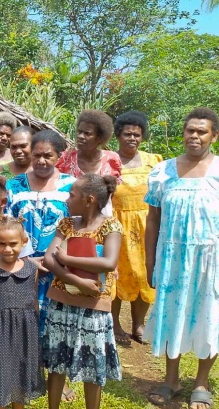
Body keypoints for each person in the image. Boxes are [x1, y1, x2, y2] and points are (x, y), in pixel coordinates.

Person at [144, 108, 219, 409]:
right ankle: (171, 379)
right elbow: (152, 220)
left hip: (212, 260)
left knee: (209, 315)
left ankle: (201, 382)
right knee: (171, 315)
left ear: (214, 136)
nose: (194, 136)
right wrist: (150, 262)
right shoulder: (163, 172)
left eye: (202, 131)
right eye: (190, 130)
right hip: (172, 257)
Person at [6, 130, 77, 402]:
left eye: (48, 155)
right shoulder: (15, 185)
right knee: (25, 323)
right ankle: (26, 378)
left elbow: (78, 228)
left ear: (60, 156)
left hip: (59, 267)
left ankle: (58, 379)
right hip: (21, 266)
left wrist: (57, 259)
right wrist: (25, 260)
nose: (42, 160)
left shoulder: (72, 185)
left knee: (58, 323)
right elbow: (6, 226)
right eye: (37, 155)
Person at [42, 174, 123, 409]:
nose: (67, 199)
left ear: (89, 200)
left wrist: (66, 258)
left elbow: (109, 262)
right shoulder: (67, 224)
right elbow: (49, 258)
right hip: (61, 301)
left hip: (93, 305)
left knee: (92, 363)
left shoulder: (111, 225)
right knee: (56, 364)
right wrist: (75, 280)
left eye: (72, 195)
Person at [0, 217, 45, 408]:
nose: (8, 249)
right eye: (2, 244)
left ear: (24, 242)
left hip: (24, 332)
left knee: (20, 377)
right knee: (0, 378)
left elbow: (34, 303)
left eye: (13, 244)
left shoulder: (32, 270)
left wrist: (34, 333)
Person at [109, 111, 162, 347]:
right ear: (118, 136)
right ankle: (114, 323)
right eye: (127, 134)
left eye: (137, 134)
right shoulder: (109, 161)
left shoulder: (155, 161)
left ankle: (138, 323)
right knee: (117, 274)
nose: (132, 138)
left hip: (147, 224)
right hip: (117, 224)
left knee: (144, 273)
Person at [56, 110, 121, 215]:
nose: (81, 136)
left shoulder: (112, 159)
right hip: (70, 218)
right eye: (79, 131)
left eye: (87, 133)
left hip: (101, 219)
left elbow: (112, 192)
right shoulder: (65, 159)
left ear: (100, 137)